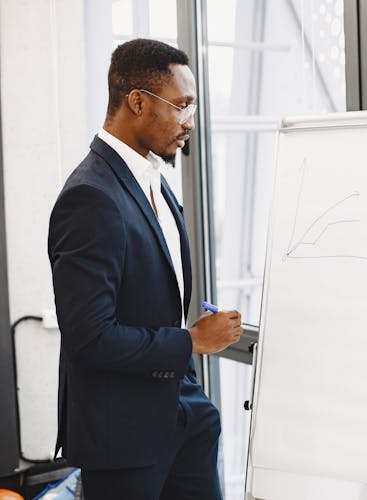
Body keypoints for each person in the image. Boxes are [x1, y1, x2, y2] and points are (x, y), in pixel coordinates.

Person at [47, 38, 242, 499]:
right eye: (181, 107)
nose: (189, 122)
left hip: (185, 418)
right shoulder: (90, 197)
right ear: (137, 101)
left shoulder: (152, 178)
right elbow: (89, 337)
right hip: (124, 439)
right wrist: (191, 341)